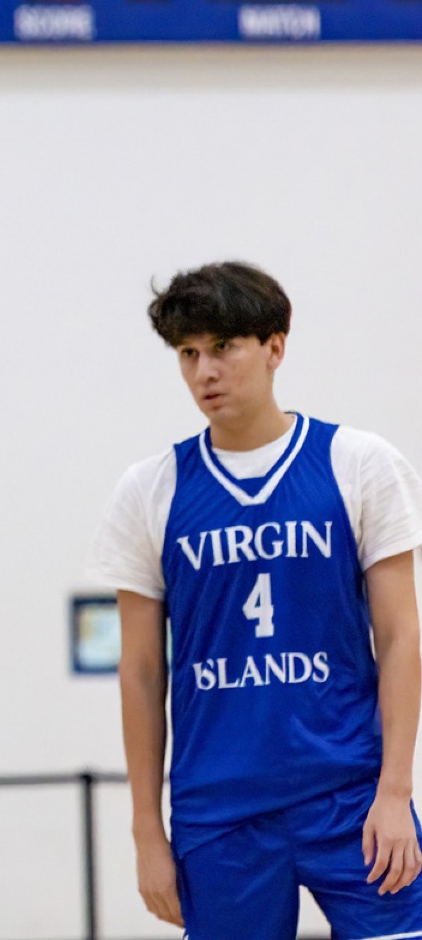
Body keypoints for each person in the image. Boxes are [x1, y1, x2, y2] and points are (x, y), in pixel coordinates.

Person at [88, 262, 422, 938]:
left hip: (351, 798)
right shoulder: (149, 489)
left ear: (274, 347)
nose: (203, 371)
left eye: (222, 347)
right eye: (188, 354)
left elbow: (399, 637)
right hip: (219, 810)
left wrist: (395, 790)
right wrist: (147, 834)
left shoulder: (358, 463)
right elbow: (142, 672)